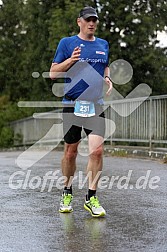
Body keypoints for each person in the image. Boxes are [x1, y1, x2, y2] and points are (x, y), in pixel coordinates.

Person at [50, 6, 112, 217]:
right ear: (79, 22)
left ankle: (91, 197)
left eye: (94, 20)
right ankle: (67, 191)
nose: (92, 23)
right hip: (72, 105)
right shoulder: (67, 43)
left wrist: (107, 77)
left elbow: (104, 65)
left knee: (97, 151)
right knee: (70, 152)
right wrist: (70, 61)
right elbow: (52, 73)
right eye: (88, 20)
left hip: (95, 104)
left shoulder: (103, 44)